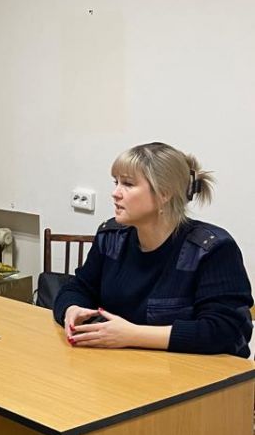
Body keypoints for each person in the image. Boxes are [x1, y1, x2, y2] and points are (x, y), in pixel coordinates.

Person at [53, 142, 253, 356]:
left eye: (128, 184)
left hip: (192, 371)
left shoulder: (212, 249)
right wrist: (72, 309)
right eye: (116, 182)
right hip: (122, 363)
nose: (115, 193)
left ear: (164, 193)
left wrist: (133, 335)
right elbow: (78, 288)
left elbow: (226, 331)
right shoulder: (110, 237)